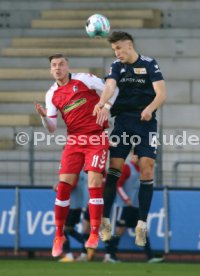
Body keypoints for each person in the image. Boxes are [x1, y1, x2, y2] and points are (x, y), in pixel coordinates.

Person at [35, 53, 118, 257]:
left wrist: (106, 106)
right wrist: (45, 118)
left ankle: (94, 234)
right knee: (63, 187)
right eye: (54, 65)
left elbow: (112, 88)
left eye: (61, 64)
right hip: (74, 140)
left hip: (96, 137)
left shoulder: (84, 79)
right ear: (50, 69)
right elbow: (52, 127)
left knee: (94, 185)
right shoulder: (52, 94)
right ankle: (58, 236)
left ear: (67, 66)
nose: (58, 68)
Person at [93, 31, 167, 247]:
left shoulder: (149, 63)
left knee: (147, 169)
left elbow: (161, 93)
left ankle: (142, 225)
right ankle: (105, 220)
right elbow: (109, 86)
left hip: (145, 122)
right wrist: (103, 103)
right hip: (124, 121)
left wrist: (150, 109)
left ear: (129, 45)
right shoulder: (116, 66)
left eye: (118, 48)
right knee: (114, 170)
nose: (116, 53)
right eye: (114, 49)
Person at [103, 153, 164, 263]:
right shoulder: (127, 168)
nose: (139, 158)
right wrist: (126, 199)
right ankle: (110, 255)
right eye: (137, 156)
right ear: (132, 156)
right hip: (125, 205)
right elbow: (118, 185)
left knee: (142, 229)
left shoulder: (143, 169)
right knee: (120, 230)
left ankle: (150, 256)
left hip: (136, 205)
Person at [57, 171, 89, 262]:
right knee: (69, 229)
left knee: (62, 230)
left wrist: (57, 187)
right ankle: (86, 243)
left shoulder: (74, 171)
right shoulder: (82, 172)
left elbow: (71, 184)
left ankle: (69, 255)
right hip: (77, 205)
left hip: (71, 205)